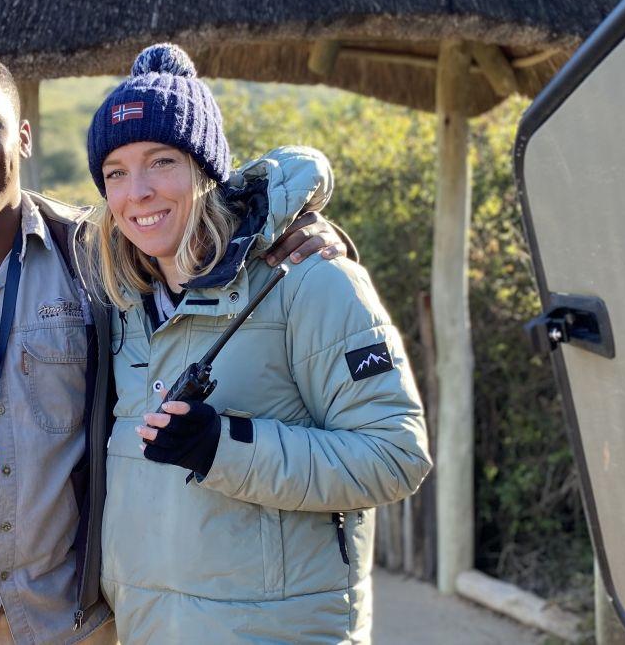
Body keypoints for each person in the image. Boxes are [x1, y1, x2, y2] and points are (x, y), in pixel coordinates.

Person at [0, 46, 347, 645]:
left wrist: (303, 231)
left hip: (73, 626)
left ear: (22, 135)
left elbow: (203, 237)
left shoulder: (101, 258)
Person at [83, 43, 433, 643]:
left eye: (161, 161)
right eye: (116, 172)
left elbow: (395, 457)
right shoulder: (118, 305)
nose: (136, 191)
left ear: (205, 170)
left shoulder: (308, 280)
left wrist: (224, 447)